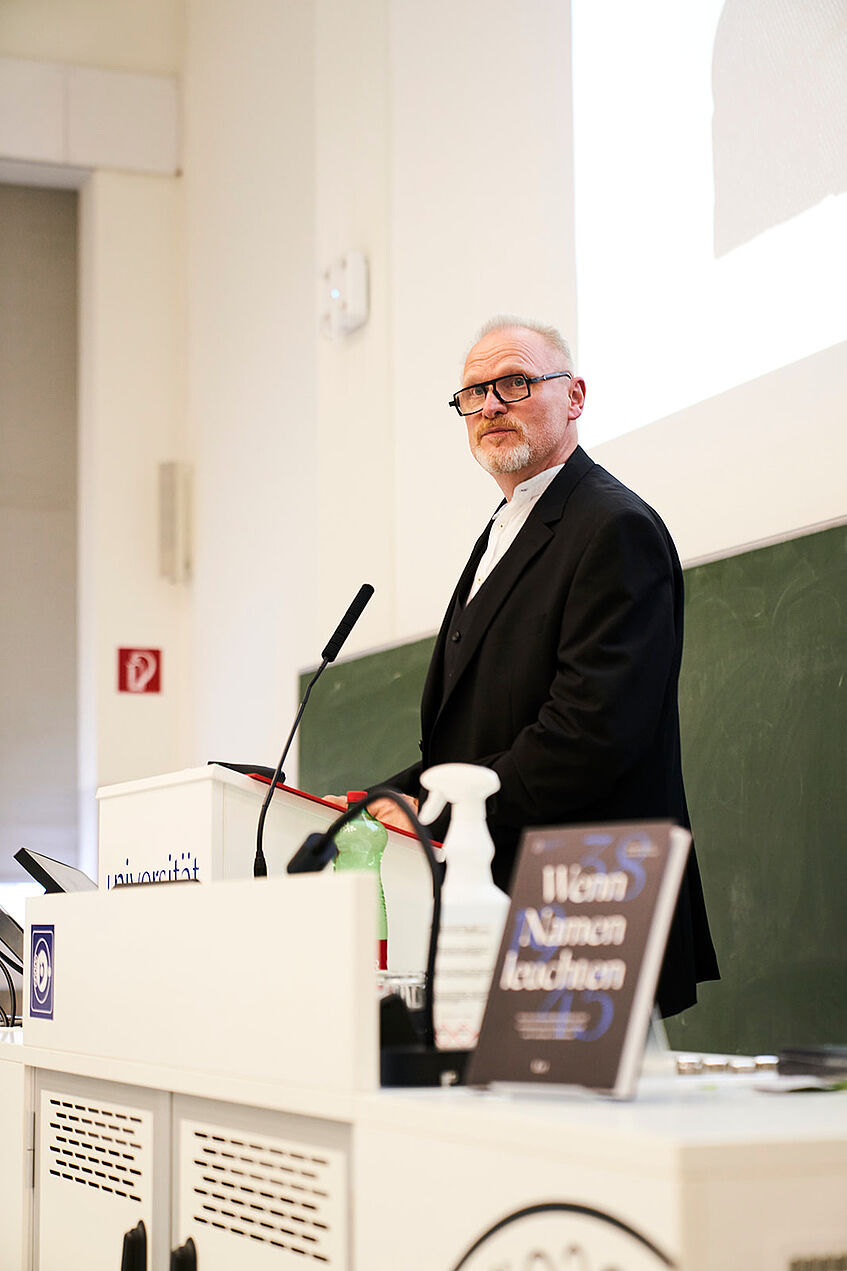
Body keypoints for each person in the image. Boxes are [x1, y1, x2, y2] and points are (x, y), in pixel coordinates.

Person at [370, 315, 718, 1017]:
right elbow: (473, 734)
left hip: (584, 908)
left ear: (574, 396)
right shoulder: (504, 527)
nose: (490, 405)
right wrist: (370, 804)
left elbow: (590, 730)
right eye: (473, 393)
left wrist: (449, 815)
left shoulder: (611, 526)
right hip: (498, 905)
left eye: (515, 382)